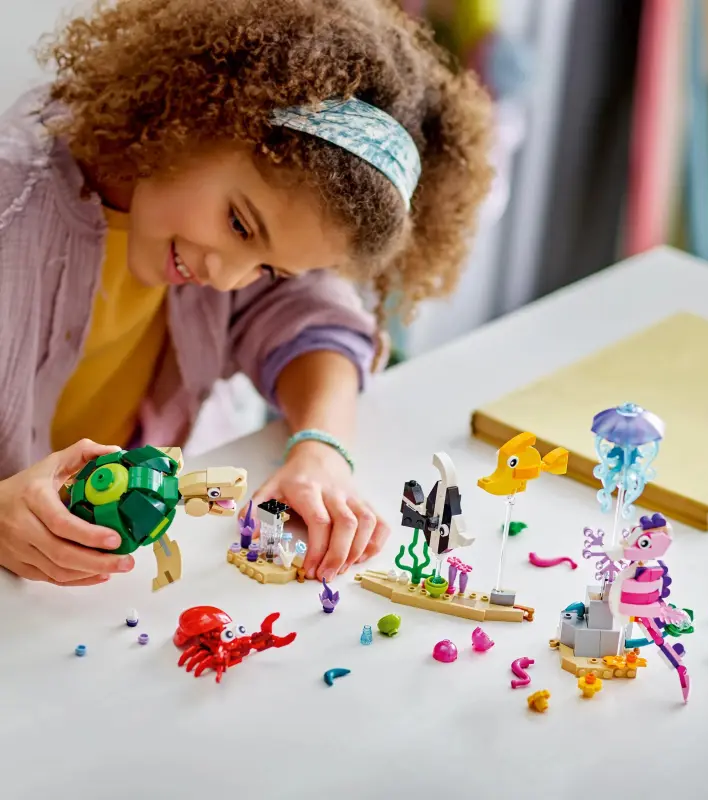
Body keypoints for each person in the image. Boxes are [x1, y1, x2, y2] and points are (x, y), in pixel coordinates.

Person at [0, 0, 492, 588]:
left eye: (268, 268)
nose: (228, 277)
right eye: (239, 224)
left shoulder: (236, 219)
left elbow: (315, 320)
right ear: (192, 113)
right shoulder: (11, 206)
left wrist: (321, 448)